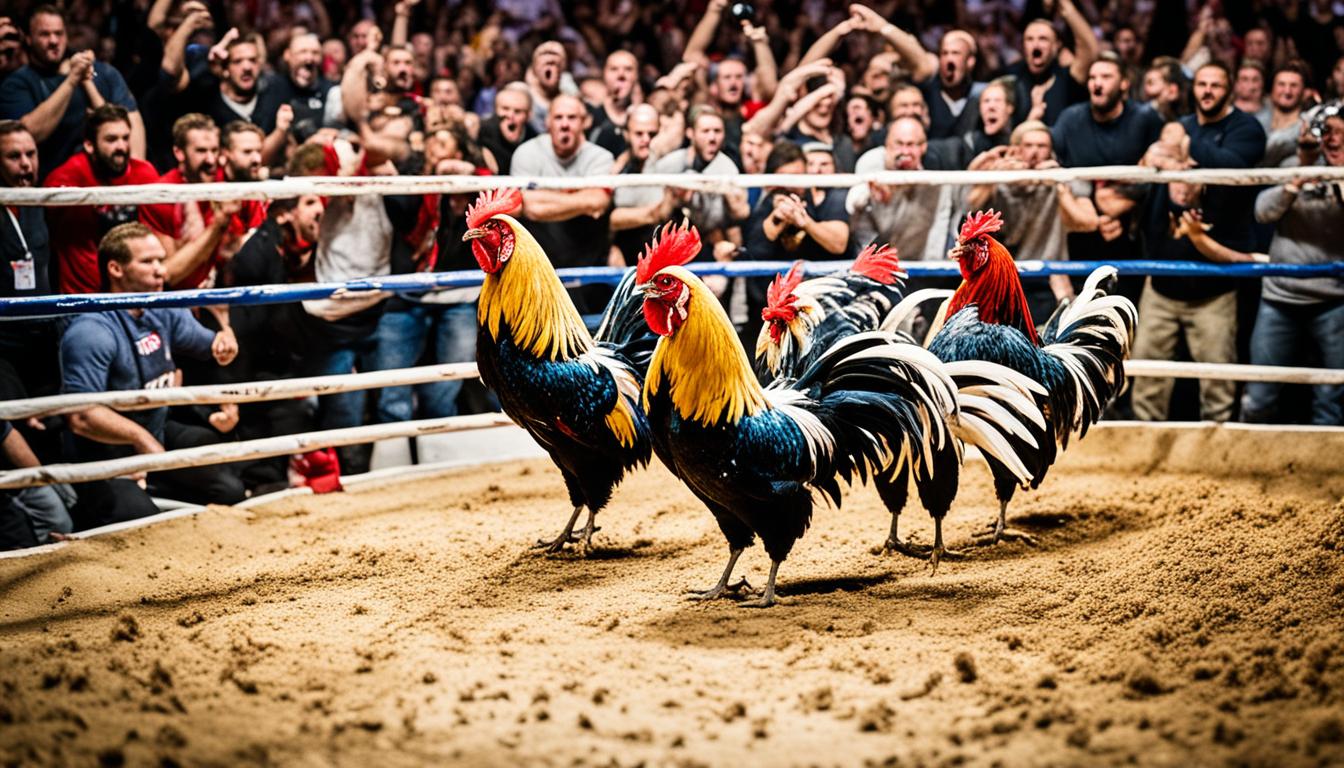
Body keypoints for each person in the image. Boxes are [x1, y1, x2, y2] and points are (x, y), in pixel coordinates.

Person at [59, 223, 243, 529]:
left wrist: (225, 339)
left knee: (229, 489)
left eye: (161, 259)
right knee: (141, 523)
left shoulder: (163, 309)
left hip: (154, 436)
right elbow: (80, 416)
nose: (161, 270)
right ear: (115, 269)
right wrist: (139, 438)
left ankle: (157, 489)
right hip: (104, 455)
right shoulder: (91, 329)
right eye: (148, 262)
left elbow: (210, 346)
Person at [1242, 108, 1344, 426]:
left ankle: (1327, 471)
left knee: (1331, 397)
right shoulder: (1295, 166)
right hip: (1280, 295)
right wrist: (1297, 179)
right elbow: (1262, 211)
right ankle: (1246, 464)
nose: (1333, 138)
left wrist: (1337, 176)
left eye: (1341, 132)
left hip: (1333, 298)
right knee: (1259, 394)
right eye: (1327, 131)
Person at [1051, 54, 1163, 298]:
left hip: (1131, 235)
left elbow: (1161, 167)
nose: (1096, 83)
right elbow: (1049, 155)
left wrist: (1120, 205)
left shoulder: (1143, 118)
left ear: (1124, 83)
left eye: (1105, 77)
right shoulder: (1071, 119)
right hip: (1082, 232)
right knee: (1085, 316)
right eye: (1092, 77)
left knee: (1126, 314)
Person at [0, 5, 144, 177]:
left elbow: (132, 141)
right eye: (44, 34)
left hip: (105, 187)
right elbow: (29, 135)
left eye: (59, 33)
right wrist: (72, 80)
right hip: (50, 187)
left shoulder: (105, 73)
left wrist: (85, 80)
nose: (53, 41)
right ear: (29, 38)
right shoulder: (17, 83)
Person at [42, 104, 161, 294]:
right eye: (111, 139)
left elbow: (159, 238)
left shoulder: (143, 174)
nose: (121, 147)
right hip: (84, 299)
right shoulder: (67, 179)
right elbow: (75, 251)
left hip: (138, 291)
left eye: (125, 138)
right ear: (89, 145)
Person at [963, 121, 1075, 323]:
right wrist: (994, 177)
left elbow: (1086, 221)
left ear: (1051, 152)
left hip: (1045, 279)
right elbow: (969, 208)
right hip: (1003, 277)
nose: (1034, 153)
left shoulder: (1058, 178)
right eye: (1029, 146)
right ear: (1016, 150)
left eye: (1042, 147)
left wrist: (1059, 182)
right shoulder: (999, 181)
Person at [511, 93, 614, 311]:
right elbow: (526, 205)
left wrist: (543, 196)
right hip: (538, 268)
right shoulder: (527, 153)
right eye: (558, 117)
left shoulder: (600, 157)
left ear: (584, 122)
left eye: (572, 117)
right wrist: (578, 197)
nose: (565, 124)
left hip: (587, 267)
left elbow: (597, 202)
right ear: (547, 121)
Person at [741, 141, 850, 342]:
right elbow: (755, 250)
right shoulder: (770, 202)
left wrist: (805, 222)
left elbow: (839, 243)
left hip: (819, 300)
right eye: (786, 179)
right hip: (772, 304)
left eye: (798, 177)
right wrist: (778, 217)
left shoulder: (827, 199)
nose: (794, 185)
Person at [0, 122, 62, 404]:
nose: (26, 164)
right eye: (14, 157)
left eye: (31, 154)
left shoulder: (38, 203)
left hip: (43, 334)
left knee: (52, 419)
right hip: (4, 343)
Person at [652, 104, 750, 270]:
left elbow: (741, 212)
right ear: (691, 133)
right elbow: (654, 207)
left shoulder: (728, 168)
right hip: (671, 238)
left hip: (711, 241)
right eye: (705, 131)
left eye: (717, 131)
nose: (712, 138)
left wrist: (725, 191)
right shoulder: (669, 165)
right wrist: (675, 197)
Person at [848, 116, 958, 262]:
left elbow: (939, 227)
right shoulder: (871, 162)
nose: (904, 151)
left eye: (910, 145)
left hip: (917, 261)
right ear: (887, 144)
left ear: (923, 147)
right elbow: (852, 204)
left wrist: (931, 268)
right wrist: (872, 189)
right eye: (898, 144)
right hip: (873, 258)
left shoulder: (933, 180)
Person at [999, 0, 1099, 126]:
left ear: (1057, 46)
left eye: (1043, 39)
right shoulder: (1011, 77)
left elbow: (1090, 50)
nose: (1036, 44)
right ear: (1023, 45)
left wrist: (1065, 4)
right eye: (1029, 39)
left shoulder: (1067, 77)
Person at [609, 104, 677, 266]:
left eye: (652, 134)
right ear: (627, 134)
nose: (646, 139)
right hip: (625, 253)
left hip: (661, 253)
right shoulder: (616, 168)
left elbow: (663, 213)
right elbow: (609, 220)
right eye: (639, 133)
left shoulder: (669, 165)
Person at [0, 421, 74, 549]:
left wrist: (43, 477)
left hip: (20, 479)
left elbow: (5, 433)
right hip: (12, 487)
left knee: (59, 525)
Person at [1260, 61, 1311, 168]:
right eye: (1281, 84)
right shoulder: (1256, 121)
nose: (1287, 91)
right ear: (1272, 89)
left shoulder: (1308, 127)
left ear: (1304, 92)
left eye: (1294, 85)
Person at [477, 82, 535, 174]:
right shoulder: (482, 132)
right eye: (505, 109)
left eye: (518, 111)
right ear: (495, 110)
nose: (510, 115)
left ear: (528, 115)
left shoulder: (534, 138)